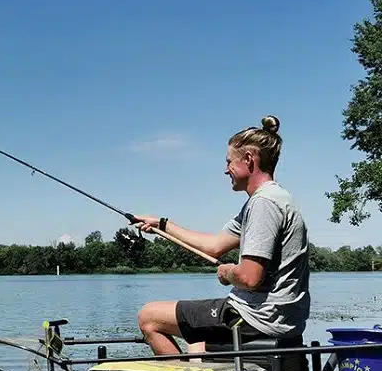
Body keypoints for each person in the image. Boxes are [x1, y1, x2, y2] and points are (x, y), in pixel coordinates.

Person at [133, 115, 310, 356]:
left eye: (229, 162)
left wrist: (227, 272)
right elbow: (214, 245)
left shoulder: (264, 204)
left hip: (257, 317)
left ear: (249, 160)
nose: (226, 170)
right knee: (194, 340)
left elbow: (249, 278)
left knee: (149, 316)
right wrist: (162, 225)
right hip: (276, 317)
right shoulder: (268, 200)